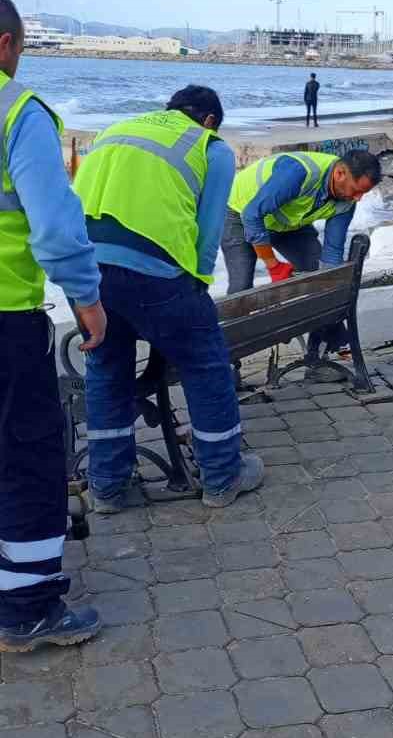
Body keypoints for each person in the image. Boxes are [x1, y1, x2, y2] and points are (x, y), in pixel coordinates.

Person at [74, 85, 264, 511]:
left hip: (86, 269)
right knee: (204, 363)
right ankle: (221, 477)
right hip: (156, 271)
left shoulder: (115, 129)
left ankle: (107, 488)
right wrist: (195, 287)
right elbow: (208, 229)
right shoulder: (210, 146)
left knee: (106, 370)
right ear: (210, 120)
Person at [0, 0, 106, 652]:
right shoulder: (17, 110)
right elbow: (56, 229)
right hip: (6, 318)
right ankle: (28, 606)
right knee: (29, 456)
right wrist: (86, 299)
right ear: (5, 45)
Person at [222, 148, 382, 294]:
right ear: (340, 174)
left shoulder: (347, 201)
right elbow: (252, 215)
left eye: (364, 193)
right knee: (241, 288)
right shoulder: (298, 173)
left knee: (315, 274)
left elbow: (332, 253)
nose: (358, 199)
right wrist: (274, 266)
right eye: (356, 190)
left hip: (287, 223)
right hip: (239, 213)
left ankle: (318, 323)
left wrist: (331, 290)